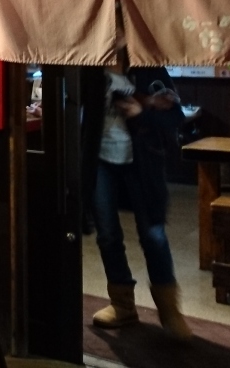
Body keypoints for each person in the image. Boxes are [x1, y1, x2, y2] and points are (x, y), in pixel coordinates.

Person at [84, 63, 192, 340]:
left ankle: (170, 312)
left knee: (153, 234)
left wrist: (142, 112)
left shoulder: (148, 68)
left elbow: (176, 117)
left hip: (142, 163)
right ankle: (122, 305)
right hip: (100, 160)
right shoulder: (90, 68)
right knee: (107, 236)